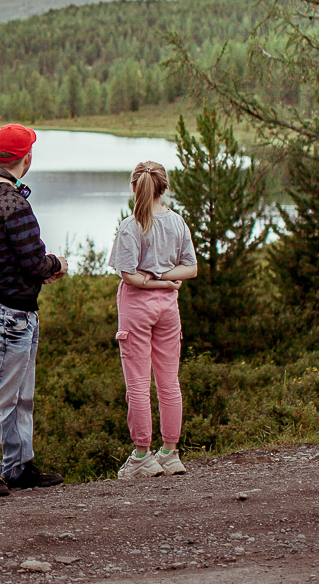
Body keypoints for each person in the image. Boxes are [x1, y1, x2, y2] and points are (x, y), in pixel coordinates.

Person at [0, 123, 67, 498]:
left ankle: (19, 467)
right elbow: (33, 262)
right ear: (25, 158)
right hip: (11, 315)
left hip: (2, 309)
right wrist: (56, 265)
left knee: (19, 397)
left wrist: (34, 271)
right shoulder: (16, 204)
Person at [110, 160, 197, 479]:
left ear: (135, 187)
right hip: (168, 310)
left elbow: (129, 276)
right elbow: (191, 268)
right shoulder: (177, 222)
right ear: (165, 188)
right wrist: (167, 281)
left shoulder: (131, 225)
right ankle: (171, 452)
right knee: (169, 381)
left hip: (137, 310)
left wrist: (153, 277)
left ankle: (142, 455)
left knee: (137, 383)